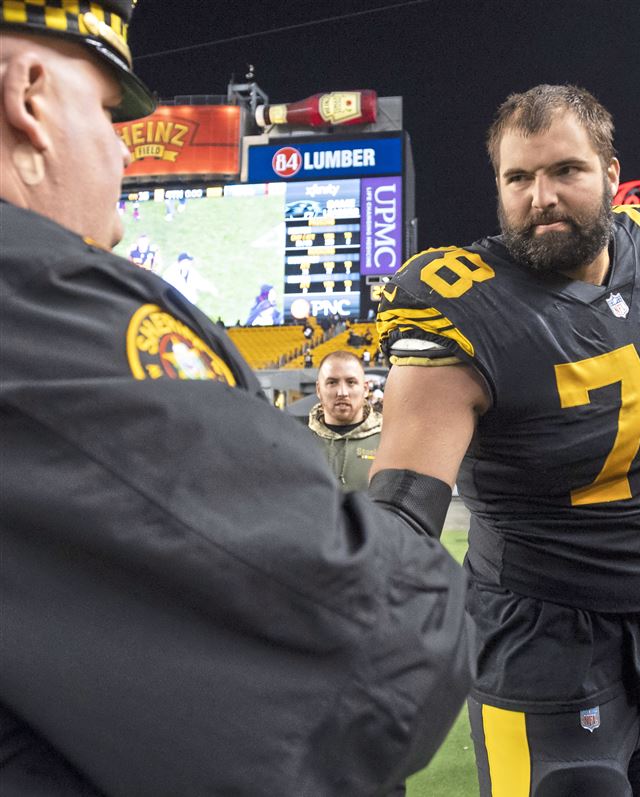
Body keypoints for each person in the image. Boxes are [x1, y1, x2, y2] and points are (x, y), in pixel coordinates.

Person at [0, 6, 472, 793]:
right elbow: (388, 650)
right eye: (107, 111)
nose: (121, 148)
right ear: (32, 97)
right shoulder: (46, 304)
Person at [374, 84, 640, 796]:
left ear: (611, 174)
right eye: (518, 177)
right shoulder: (462, 309)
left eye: (564, 170)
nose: (540, 195)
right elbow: (402, 509)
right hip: (541, 656)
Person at [308, 351, 383, 491]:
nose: (342, 392)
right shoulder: (298, 442)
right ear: (318, 389)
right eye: (332, 382)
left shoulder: (389, 443)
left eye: (351, 382)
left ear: (365, 389)